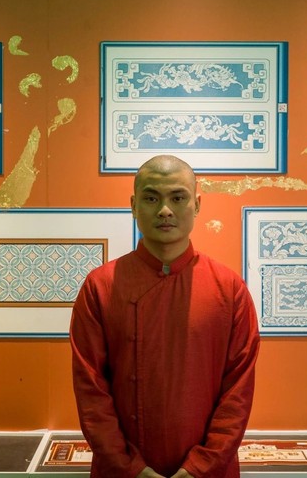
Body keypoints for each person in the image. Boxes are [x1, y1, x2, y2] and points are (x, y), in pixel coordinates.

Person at [70, 155, 260, 478]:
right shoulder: (100, 286)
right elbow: (91, 391)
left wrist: (200, 466)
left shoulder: (229, 289)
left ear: (197, 205)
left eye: (178, 198)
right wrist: (130, 468)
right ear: (133, 205)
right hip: (121, 472)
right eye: (151, 198)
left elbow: (237, 393)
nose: (165, 210)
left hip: (210, 471)